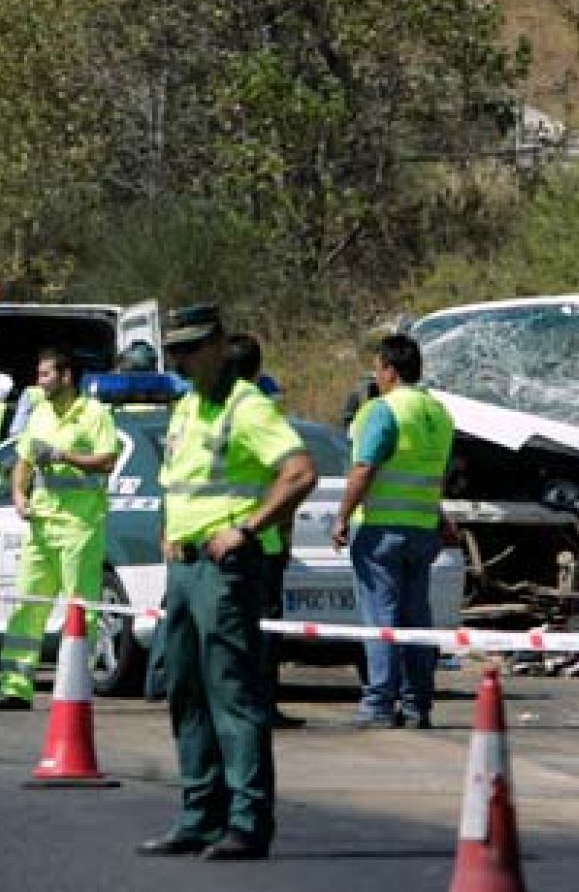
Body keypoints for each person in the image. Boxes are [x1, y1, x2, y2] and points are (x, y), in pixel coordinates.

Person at [137, 305, 316, 862]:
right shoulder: (187, 407)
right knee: (186, 690)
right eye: (176, 353)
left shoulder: (247, 407)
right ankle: (199, 814)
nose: (183, 362)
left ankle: (246, 820)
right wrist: (170, 531)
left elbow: (300, 472)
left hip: (226, 570)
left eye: (191, 350)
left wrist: (246, 528)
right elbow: (179, 482)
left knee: (233, 694)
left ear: (218, 346)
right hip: (186, 567)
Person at [0, 348, 119, 710]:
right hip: (41, 524)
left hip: (80, 526)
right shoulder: (40, 412)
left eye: (45, 375)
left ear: (66, 376)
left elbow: (107, 460)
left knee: (79, 610)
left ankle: (74, 685)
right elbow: (24, 460)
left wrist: (63, 456)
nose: (39, 382)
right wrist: (17, 495)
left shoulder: (94, 414)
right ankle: (15, 687)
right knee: (27, 606)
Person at [333, 334, 454, 730]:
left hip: (382, 530)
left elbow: (364, 469)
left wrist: (341, 517)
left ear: (389, 370)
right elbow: (431, 474)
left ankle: (379, 704)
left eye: (377, 367)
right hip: (423, 530)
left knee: (381, 619)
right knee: (417, 618)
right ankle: (419, 703)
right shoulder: (438, 414)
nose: (376, 375)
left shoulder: (384, 411)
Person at [226, 332, 303, 731]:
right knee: (264, 632)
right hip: (262, 540)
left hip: (224, 539)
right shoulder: (259, 412)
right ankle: (261, 704)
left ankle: (240, 705)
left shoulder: (214, 409)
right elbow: (289, 477)